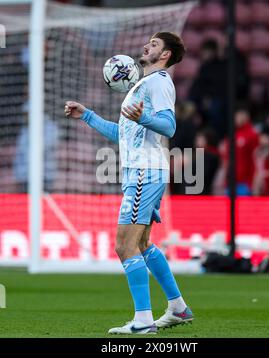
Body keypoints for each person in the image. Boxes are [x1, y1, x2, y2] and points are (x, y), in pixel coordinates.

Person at [65, 32, 193, 335]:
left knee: (124, 245)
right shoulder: (143, 84)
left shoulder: (159, 82)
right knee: (142, 244)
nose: (147, 45)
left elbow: (169, 125)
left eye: (154, 44)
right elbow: (122, 135)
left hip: (143, 172)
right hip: (144, 170)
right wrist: (87, 115)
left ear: (164, 55)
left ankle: (144, 320)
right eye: (148, 41)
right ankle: (178, 307)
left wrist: (144, 118)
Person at [221, 105, 258, 196]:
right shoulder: (231, 136)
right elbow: (226, 159)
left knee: (243, 209)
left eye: (237, 115)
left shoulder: (252, 135)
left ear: (245, 116)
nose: (235, 118)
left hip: (245, 183)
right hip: (230, 182)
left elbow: (257, 159)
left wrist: (253, 182)